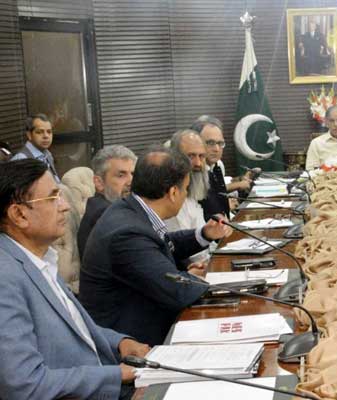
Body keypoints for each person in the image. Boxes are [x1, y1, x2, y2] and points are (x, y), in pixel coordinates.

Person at [0, 159, 150, 399]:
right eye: (53, 198)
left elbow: (73, 328)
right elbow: (24, 385)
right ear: (19, 214)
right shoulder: (5, 277)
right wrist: (116, 375)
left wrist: (120, 343)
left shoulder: (39, 258)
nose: (65, 206)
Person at [80, 147, 230, 346]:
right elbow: (177, 291)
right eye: (185, 189)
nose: (186, 194)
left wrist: (203, 234)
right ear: (174, 192)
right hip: (135, 347)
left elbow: (161, 244)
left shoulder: (129, 209)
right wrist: (227, 283)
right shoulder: (126, 232)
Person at [77, 145, 137, 259]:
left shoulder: (113, 207)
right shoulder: (104, 213)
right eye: (121, 175)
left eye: (133, 174)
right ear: (99, 182)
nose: (131, 181)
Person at [191, 115, 252, 220]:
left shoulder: (215, 167)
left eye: (220, 143)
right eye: (210, 143)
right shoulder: (192, 174)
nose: (216, 149)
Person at [11, 113, 60, 182]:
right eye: (39, 132)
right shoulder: (22, 159)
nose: (46, 136)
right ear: (29, 135)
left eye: (49, 132)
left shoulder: (47, 154)